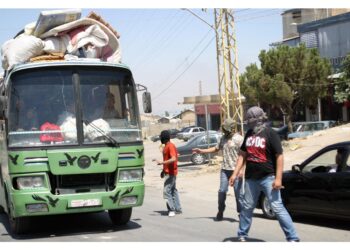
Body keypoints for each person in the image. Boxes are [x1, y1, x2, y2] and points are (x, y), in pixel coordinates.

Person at [229, 106, 299, 242]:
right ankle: (242, 234)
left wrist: (278, 179)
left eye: (250, 119)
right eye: (247, 119)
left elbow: (279, 156)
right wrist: (234, 173)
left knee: (277, 207)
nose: (248, 122)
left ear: (258, 119)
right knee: (247, 207)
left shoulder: (270, 133)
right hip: (250, 179)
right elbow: (242, 155)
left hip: (268, 178)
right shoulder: (249, 134)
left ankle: (293, 238)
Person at [192, 118, 244, 221]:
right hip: (225, 170)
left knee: (238, 195)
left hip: (236, 171)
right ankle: (220, 211)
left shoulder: (239, 139)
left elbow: (244, 156)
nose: (224, 130)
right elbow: (216, 149)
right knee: (222, 191)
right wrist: (202, 151)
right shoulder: (222, 138)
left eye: (225, 128)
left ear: (232, 129)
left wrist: (242, 170)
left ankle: (241, 213)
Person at [153, 130, 182, 217]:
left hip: (171, 173)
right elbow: (170, 158)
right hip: (168, 172)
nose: (160, 138)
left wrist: (161, 162)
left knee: (167, 191)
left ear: (164, 138)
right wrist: (163, 170)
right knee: (173, 190)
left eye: (161, 137)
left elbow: (173, 158)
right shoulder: (166, 146)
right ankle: (177, 209)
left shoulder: (170, 146)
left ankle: (171, 210)